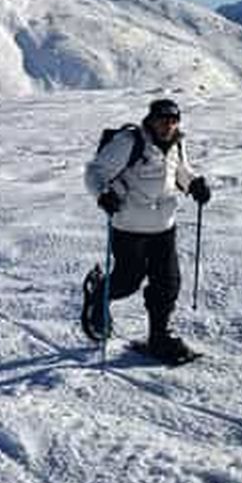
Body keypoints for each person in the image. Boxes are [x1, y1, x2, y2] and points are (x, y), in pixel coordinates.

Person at [82, 98, 211, 363]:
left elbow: (180, 171)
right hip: (129, 226)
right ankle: (99, 295)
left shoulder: (177, 142)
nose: (168, 125)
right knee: (128, 280)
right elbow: (95, 171)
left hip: (164, 226)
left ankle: (159, 337)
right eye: (163, 119)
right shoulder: (130, 142)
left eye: (173, 120)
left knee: (168, 282)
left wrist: (194, 184)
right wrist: (103, 194)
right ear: (150, 119)